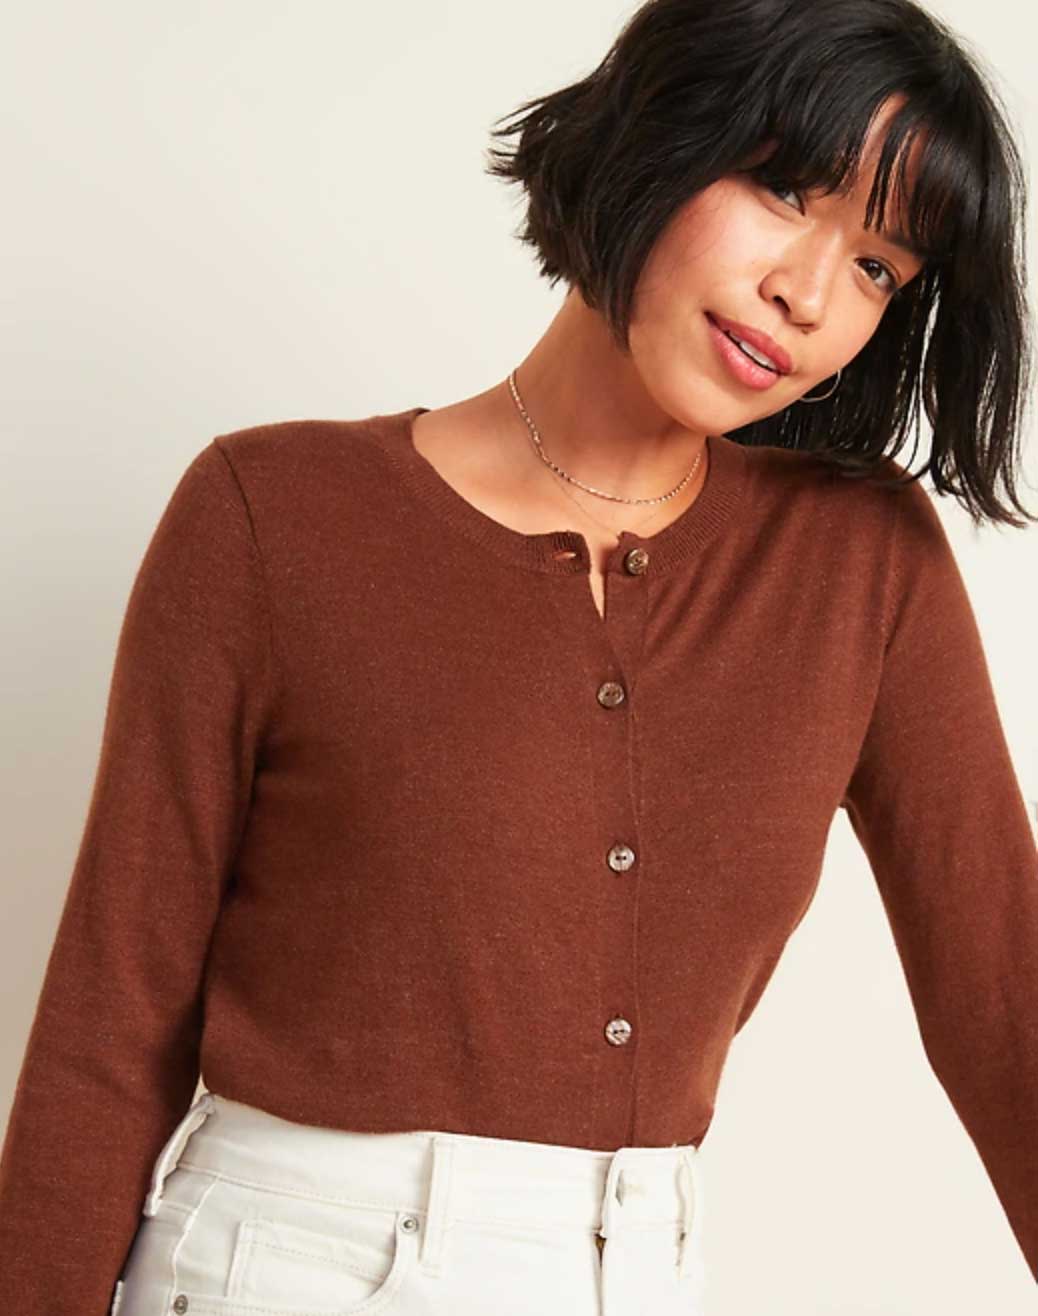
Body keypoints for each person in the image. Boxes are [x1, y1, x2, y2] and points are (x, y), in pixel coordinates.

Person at [1, 0, 1036, 1311]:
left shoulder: (859, 567)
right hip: (281, 1268)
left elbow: (1005, 1009)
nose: (810, 295)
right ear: (661, 132)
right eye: (784, 190)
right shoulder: (274, 515)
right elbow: (111, 1023)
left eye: (879, 267)